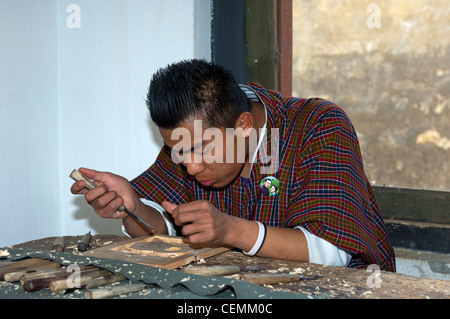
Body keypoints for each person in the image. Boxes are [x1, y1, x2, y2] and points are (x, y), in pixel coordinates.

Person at [71, 59, 395, 271]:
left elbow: (331, 253)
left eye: (199, 150)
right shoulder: (191, 139)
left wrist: (228, 230)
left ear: (243, 127)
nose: (191, 167)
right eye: (177, 151)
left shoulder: (317, 126)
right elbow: (166, 227)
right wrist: (134, 209)